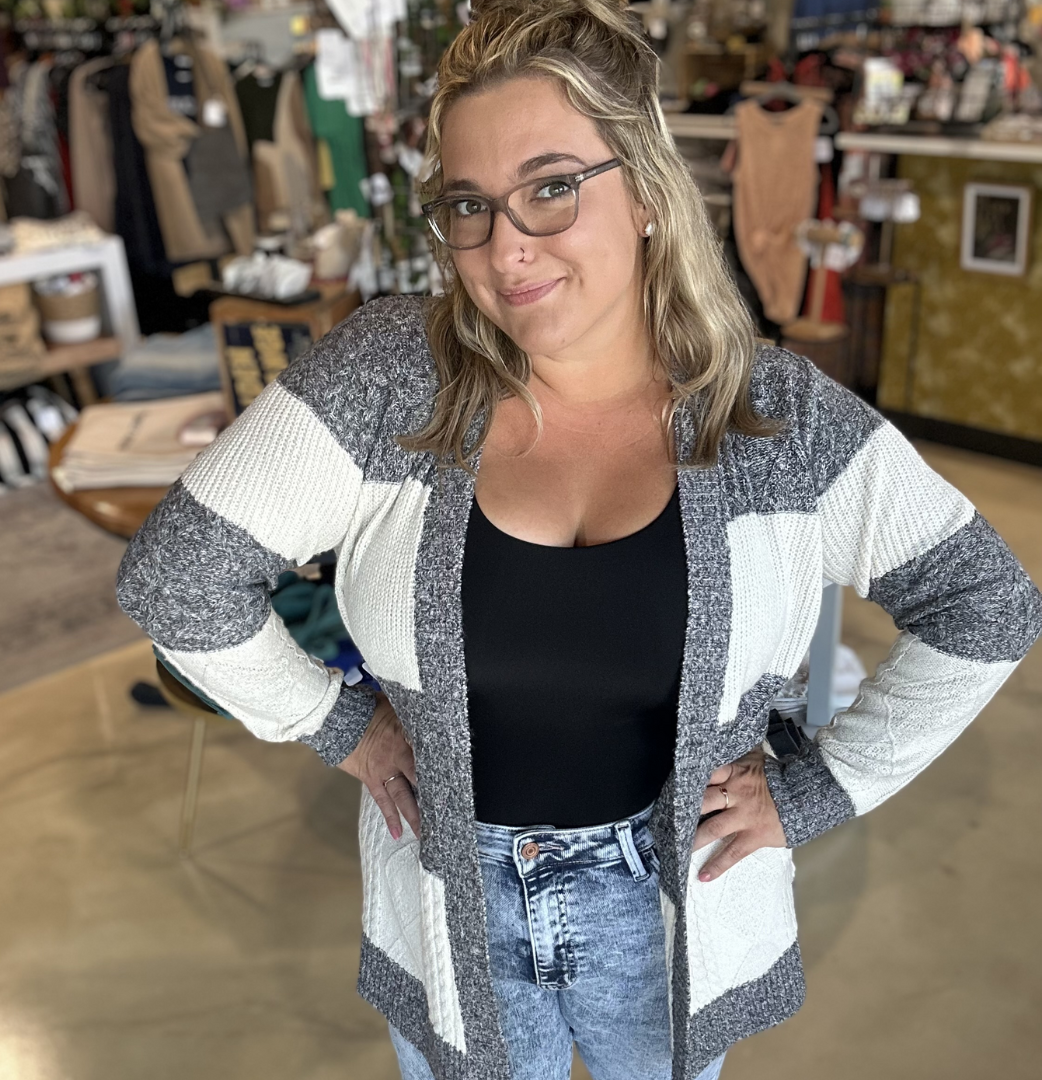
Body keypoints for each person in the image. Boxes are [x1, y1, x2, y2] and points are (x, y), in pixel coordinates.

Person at [116, 1, 1042, 1078]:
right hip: (453, 913)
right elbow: (180, 579)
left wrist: (819, 791)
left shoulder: (776, 421)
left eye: (553, 186)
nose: (508, 248)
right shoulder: (387, 382)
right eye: (470, 205)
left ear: (646, 189)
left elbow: (987, 602)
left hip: (676, 914)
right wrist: (336, 723)